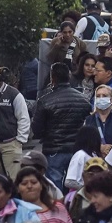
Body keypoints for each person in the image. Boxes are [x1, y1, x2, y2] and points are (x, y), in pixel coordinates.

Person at [32, 61, 94, 191]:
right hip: (77, 149)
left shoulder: (45, 101)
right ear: (69, 76)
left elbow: (36, 129)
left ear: (52, 78)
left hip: (54, 149)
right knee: (75, 182)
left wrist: (46, 136)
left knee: (55, 187)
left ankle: (59, 209)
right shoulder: (83, 100)